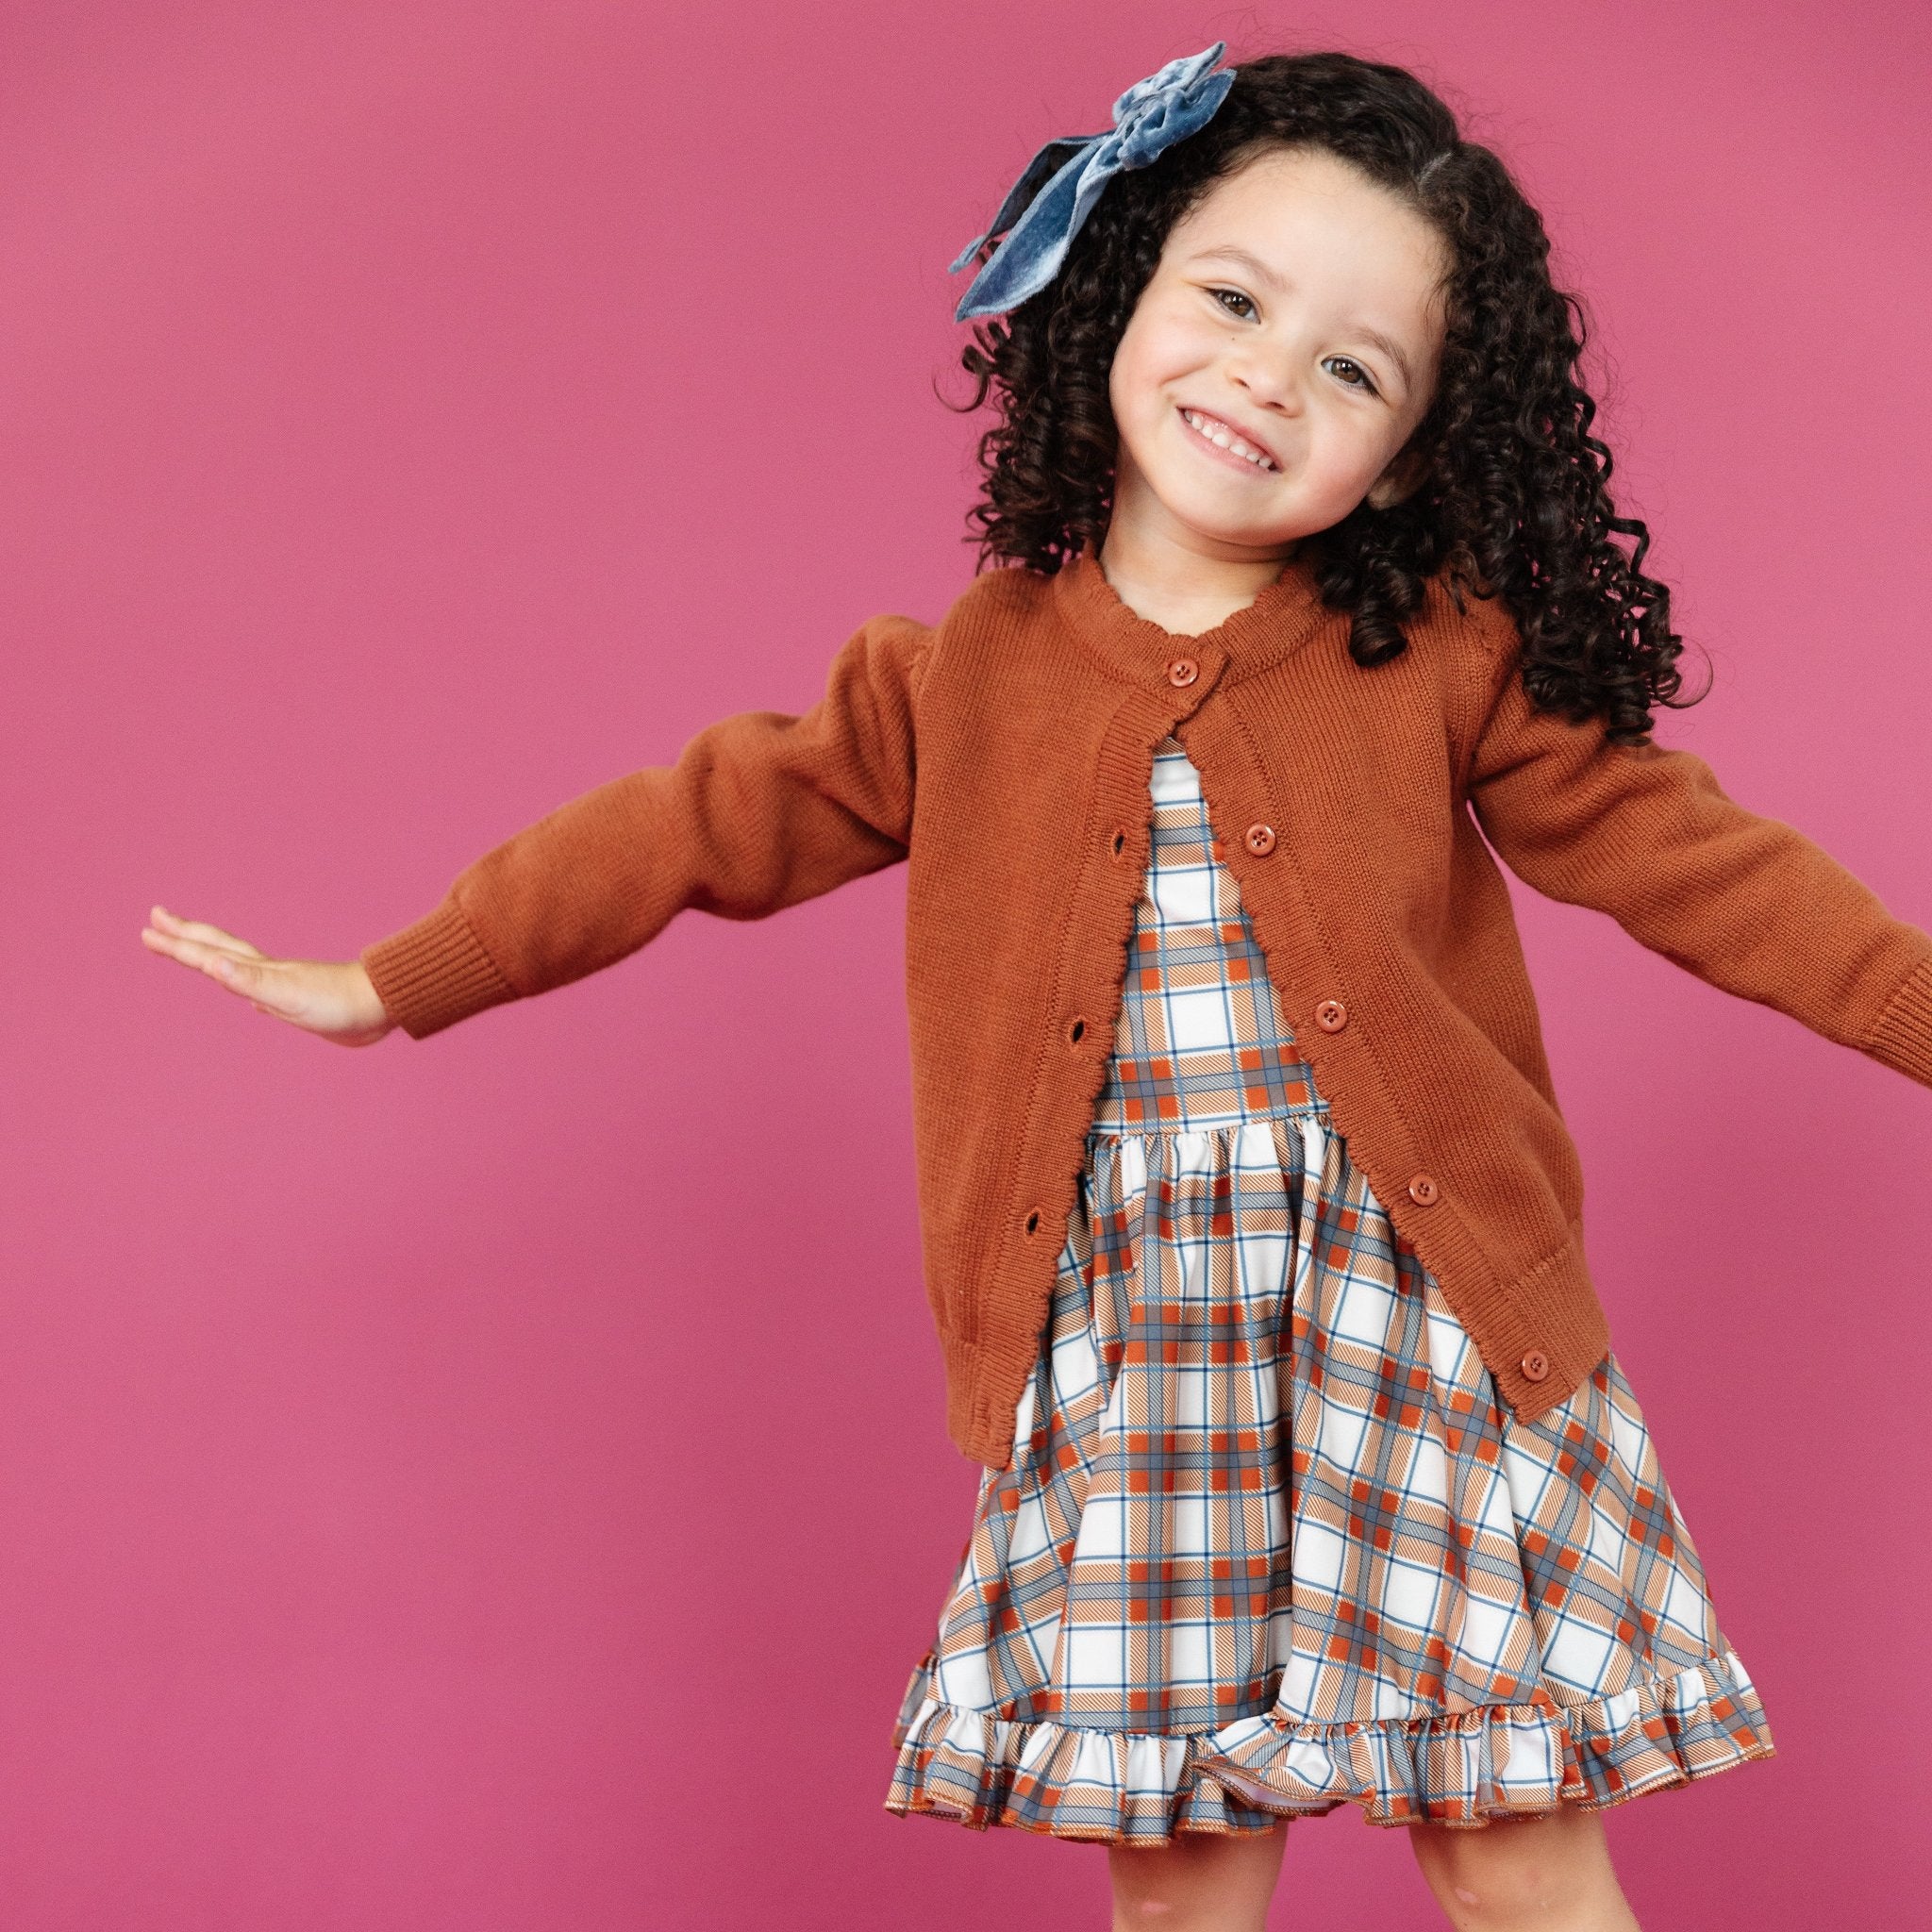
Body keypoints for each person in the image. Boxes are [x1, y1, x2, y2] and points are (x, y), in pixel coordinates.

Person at [140, 43, 1932, 1932]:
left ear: (1404, 454)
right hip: (1133, 1353)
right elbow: (689, 826)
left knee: (1514, 1857)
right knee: (1173, 1893)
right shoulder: (957, 679)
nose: (1263, 374)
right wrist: (398, 979)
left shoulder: (1440, 661)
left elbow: (1700, 863)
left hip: (1423, 1329)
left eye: (1350, 368)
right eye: (1231, 301)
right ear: (1123, 285)